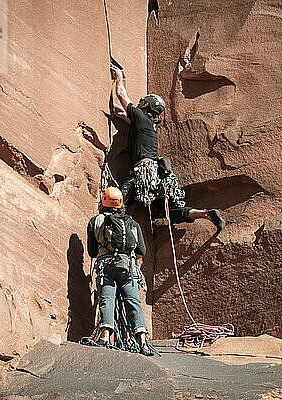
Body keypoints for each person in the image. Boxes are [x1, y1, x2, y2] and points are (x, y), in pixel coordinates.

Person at [110, 65, 226, 232]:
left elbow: (121, 95)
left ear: (145, 106)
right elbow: (125, 116)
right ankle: (205, 214)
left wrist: (119, 78)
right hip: (160, 175)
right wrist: (120, 114)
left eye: (142, 102)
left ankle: (117, 238)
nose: (139, 103)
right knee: (170, 210)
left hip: (143, 173)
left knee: (120, 202)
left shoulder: (141, 118)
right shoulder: (149, 125)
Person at [86, 186, 154, 356]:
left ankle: (105, 338)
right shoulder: (132, 223)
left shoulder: (96, 221)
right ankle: (142, 342)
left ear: (103, 201)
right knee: (133, 302)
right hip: (128, 267)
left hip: (106, 265)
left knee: (107, 299)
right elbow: (142, 251)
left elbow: (92, 252)